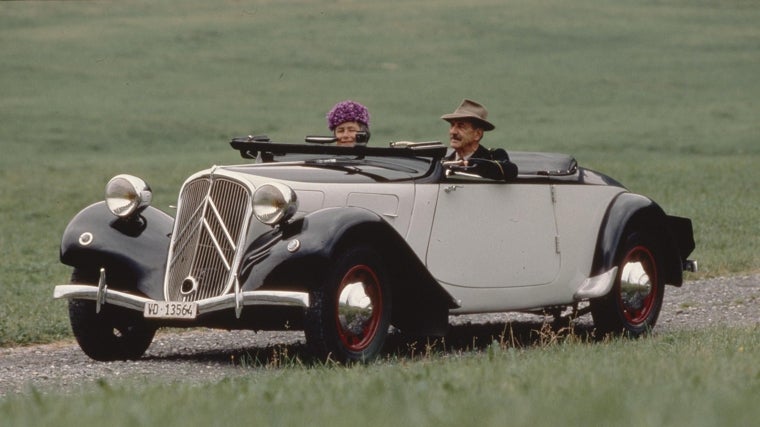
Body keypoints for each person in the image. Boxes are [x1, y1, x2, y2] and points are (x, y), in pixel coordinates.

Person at [440, 99, 517, 180]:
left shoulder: (493, 156)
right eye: (452, 125)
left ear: (477, 134)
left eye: (461, 126)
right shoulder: (443, 163)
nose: (453, 131)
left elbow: (511, 170)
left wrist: (471, 163)